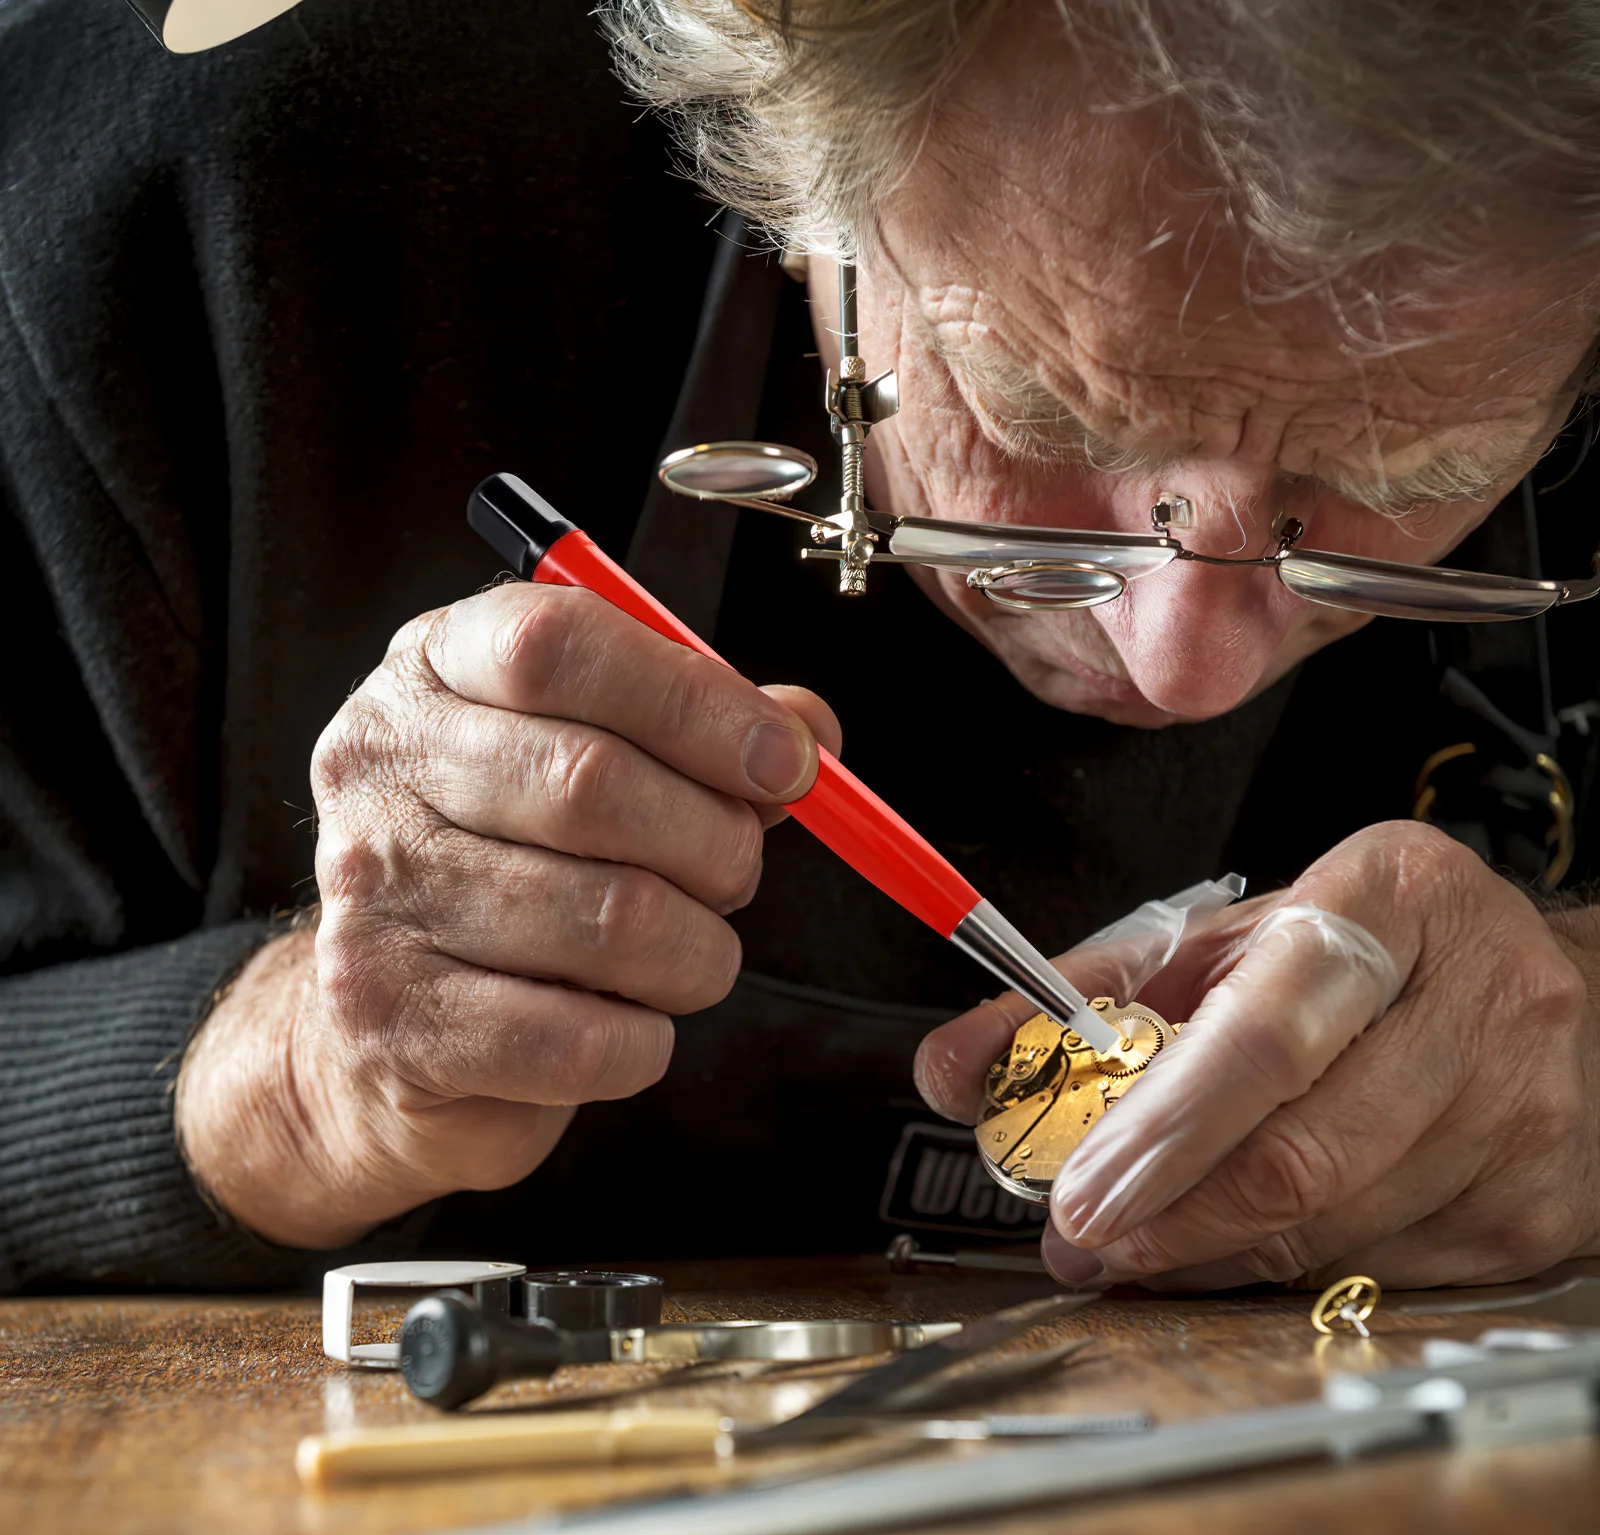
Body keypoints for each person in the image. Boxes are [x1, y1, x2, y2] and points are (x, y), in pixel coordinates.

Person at [3, 0, 1599, 1292]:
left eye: (1412, 474)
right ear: (779, 154)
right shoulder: (205, 197)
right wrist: (275, 1081)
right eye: (1047, 412)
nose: (1186, 665)